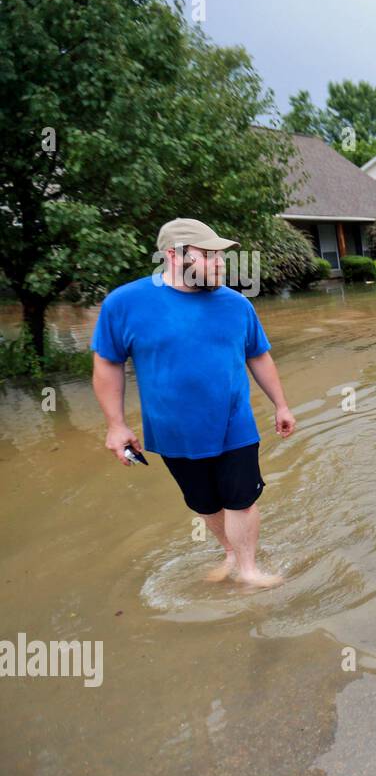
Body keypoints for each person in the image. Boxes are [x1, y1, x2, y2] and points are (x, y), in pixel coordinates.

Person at [91, 218, 296, 588]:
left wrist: (281, 405)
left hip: (235, 423)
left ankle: (248, 568)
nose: (220, 263)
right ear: (172, 255)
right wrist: (116, 424)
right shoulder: (124, 303)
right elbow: (108, 364)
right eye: (208, 255)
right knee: (203, 503)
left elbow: (258, 355)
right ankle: (229, 552)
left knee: (241, 499)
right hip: (172, 429)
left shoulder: (236, 304)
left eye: (220, 256)